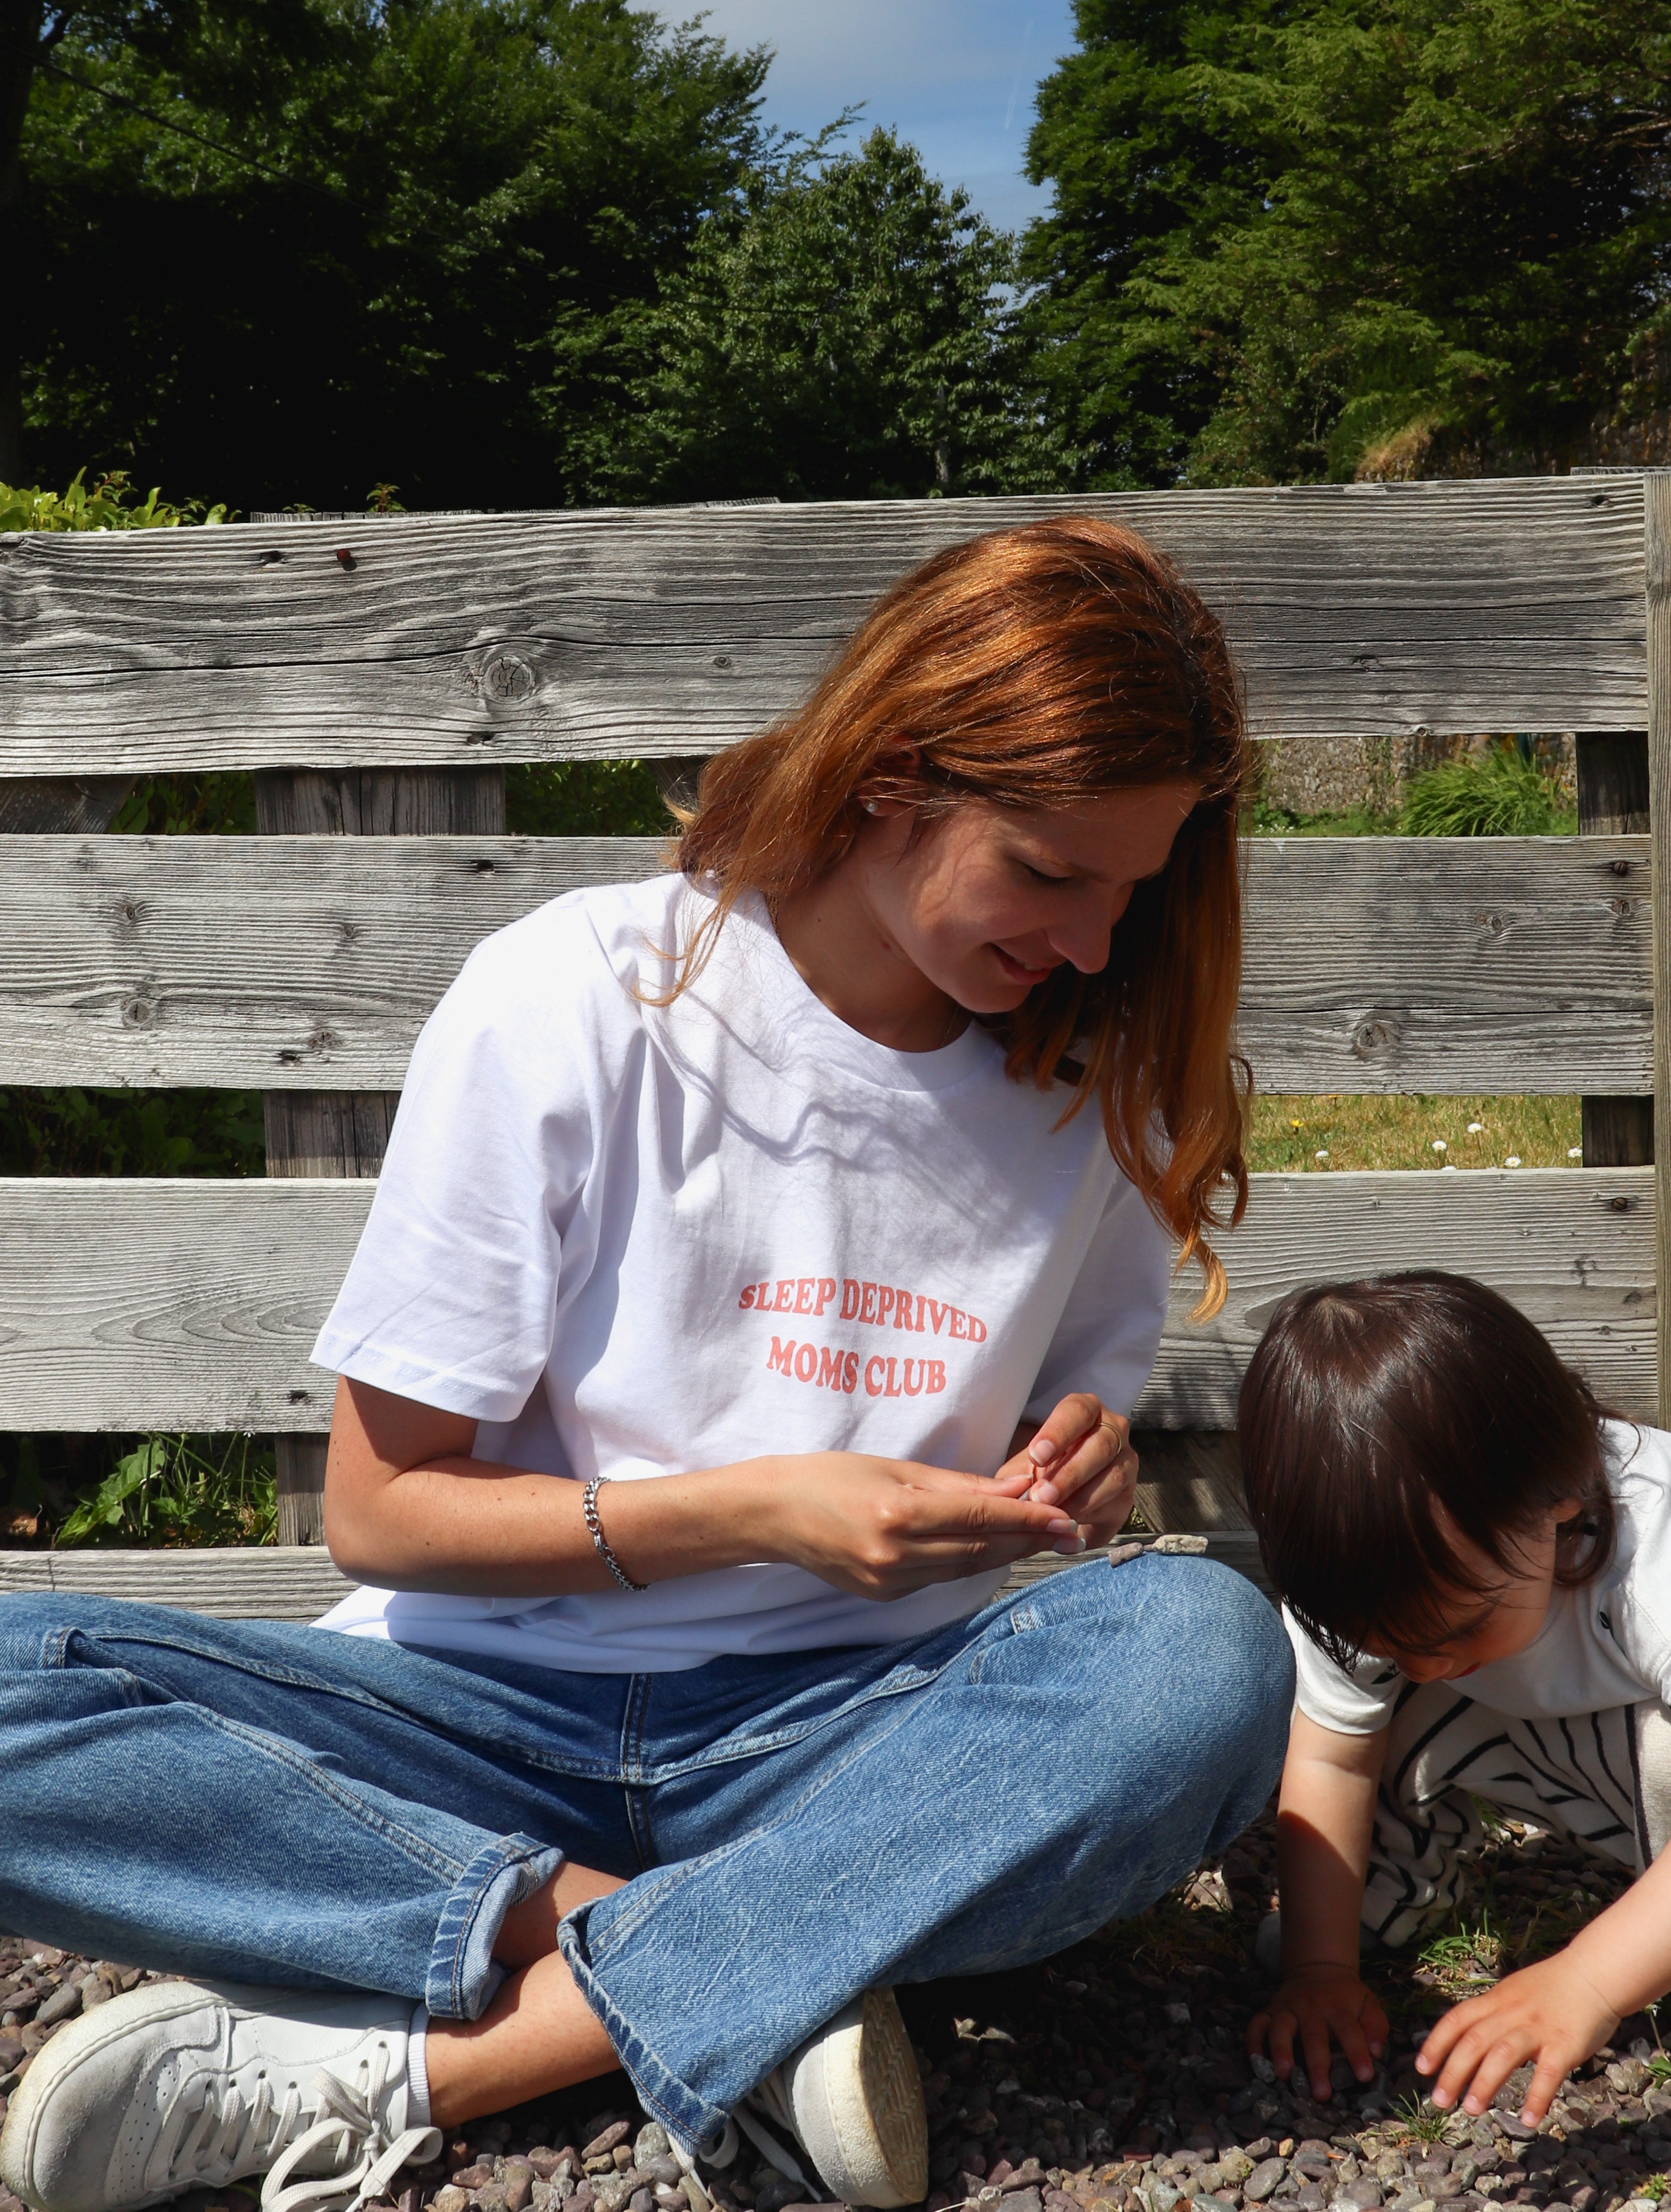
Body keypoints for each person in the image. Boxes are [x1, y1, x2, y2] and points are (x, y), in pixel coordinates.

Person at [0, 517, 1293, 2212]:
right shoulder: (580, 993)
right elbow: (384, 1518)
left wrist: (1073, 1471)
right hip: (474, 1711)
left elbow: (1065, 1435)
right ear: (893, 772)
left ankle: (433, 2061)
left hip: (851, 1727)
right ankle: (760, 1965)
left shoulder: (1087, 1089)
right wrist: (762, 1509)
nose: (1097, 942)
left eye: (1135, 884)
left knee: (1200, 1652)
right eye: (1052, 874)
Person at [1236, 1269, 1671, 2131]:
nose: (1426, 1663)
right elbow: (1331, 1751)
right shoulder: (1382, 1565)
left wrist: (1586, 1978)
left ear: (1558, 1504)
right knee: (1376, 1708)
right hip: (1557, 1696)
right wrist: (1319, 1968)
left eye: (1458, 1623)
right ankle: (1393, 1885)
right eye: (1393, 1639)